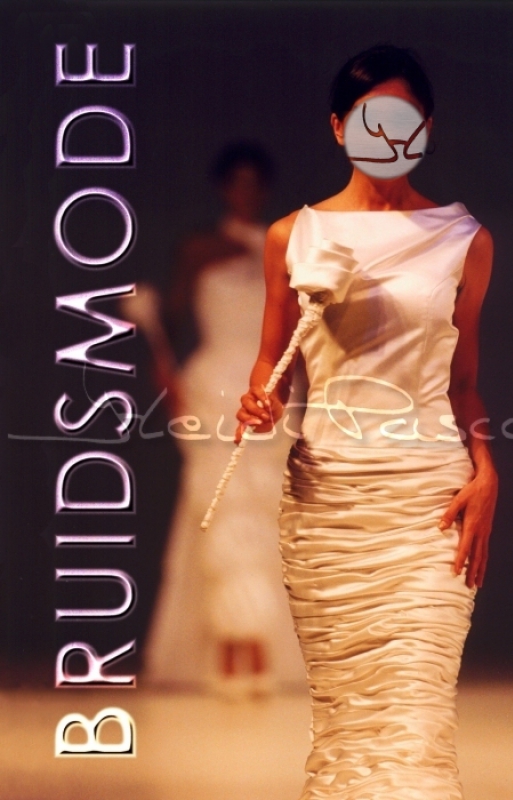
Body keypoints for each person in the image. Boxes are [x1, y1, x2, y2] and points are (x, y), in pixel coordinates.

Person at [236, 45, 498, 798]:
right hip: (328, 507)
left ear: (426, 127)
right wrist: (258, 404)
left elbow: (464, 384)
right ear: (337, 126)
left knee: (415, 719)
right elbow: (271, 368)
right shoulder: (293, 236)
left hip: (429, 503)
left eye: (403, 117)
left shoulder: (464, 239)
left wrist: (488, 474)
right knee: (349, 729)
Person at [129, 141, 298, 696]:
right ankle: (228, 651)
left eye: (255, 183)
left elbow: (295, 327)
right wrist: (164, 367)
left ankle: (266, 650)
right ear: (224, 188)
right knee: (221, 507)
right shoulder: (199, 248)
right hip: (213, 390)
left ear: (264, 189)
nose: (246, 192)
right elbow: (174, 319)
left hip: (269, 387)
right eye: (237, 182)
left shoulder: (284, 249)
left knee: (269, 511)